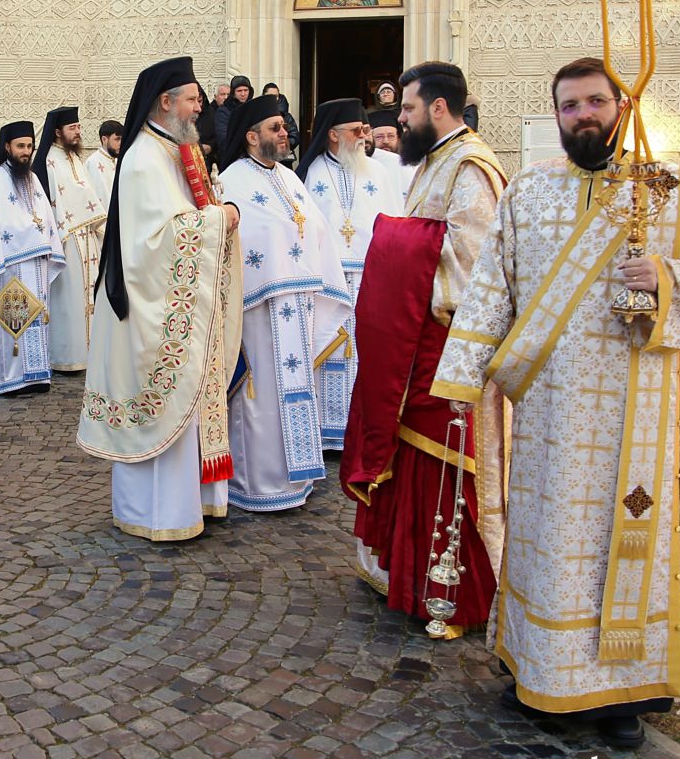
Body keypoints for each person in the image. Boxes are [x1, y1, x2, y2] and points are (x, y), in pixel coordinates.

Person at [432, 57, 680, 747]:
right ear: (556, 116)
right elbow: (492, 287)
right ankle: (539, 673)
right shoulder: (528, 193)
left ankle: (619, 694)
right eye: (569, 105)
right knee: (547, 543)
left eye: (594, 102)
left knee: (620, 542)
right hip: (548, 416)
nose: (583, 115)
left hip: (636, 413)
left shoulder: (673, 191)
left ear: (622, 105)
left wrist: (669, 278)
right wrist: (460, 379)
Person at [339, 60, 508, 640]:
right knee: (411, 457)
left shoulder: (471, 168)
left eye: (407, 110)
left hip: (450, 339)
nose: (400, 121)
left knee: (444, 461)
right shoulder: (436, 162)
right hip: (417, 337)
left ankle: (450, 590)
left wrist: (393, 249)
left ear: (438, 108)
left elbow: (474, 260)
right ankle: (405, 569)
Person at [78, 58, 242, 541]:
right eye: (192, 99)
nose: (200, 107)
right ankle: (157, 514)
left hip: (176, 304)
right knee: (162, 400)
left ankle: (190, 503)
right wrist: (219, 220)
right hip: (146, 309)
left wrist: (217, 212)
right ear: (165, 102)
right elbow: (155, 242)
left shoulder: (175, 150)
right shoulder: (144, 158)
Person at [218, 96, 349, 512]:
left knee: (296, 388)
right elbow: (240, 239)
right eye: (274, 127)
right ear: (252, 136)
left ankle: (298, 476)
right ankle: (256, 483)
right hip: (258, 306)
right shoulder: (233, 180)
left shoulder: (291, 178)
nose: (284, 132)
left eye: (282, 126)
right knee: (261, 394)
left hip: (299, 301)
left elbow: (317, 229)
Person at [295, 99, 402, 450]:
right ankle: (327, 430)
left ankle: (362, 429)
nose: (364, 137)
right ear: (333, 134)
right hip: (329, 280)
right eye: (357, 131)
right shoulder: (311, 174)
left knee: (365, 354)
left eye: (365, 130)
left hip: (370, 277)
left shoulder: (380, 172)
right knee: (330, 349)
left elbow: (395, 224)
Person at [0, 121, 64, 395]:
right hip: (12, 264)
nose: (26, 151)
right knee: (14, 321)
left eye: (29, 146)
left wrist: (48, 243)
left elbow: (45, 216)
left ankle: (37, 374)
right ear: (7, 147)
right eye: (20, 146)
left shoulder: (32, 178)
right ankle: (9, 379)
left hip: (36, 262)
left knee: (37, 318)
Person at [32, 105, 106, 373]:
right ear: (57, 132)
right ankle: (66, 356)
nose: (77, 132)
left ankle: (89, 353)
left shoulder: (74, 157)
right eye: (72, 128)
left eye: (78, 127)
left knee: (89, 296)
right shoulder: (49, 161)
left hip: (86, 235)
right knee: (69, 299)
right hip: (66, 238)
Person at [213, 75, 254, 154]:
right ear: (233, 93)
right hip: (232, 156)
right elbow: (223, 139)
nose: (243, 94)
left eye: (246, 90)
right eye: (239, 91)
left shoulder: (253, 108)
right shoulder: (224, 111)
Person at [262, 82, 299, 158]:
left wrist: (280, 144)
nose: (273, 99)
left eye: (275, 96)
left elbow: (294, 137)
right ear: (263, 96)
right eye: (269, 96)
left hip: (282, 158)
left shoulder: (287, 117)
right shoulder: (258, 115)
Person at [88, 119, 121, 204]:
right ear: (104, 139)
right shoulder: (93, 163)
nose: (121, 143)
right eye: (117, 139)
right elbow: (101, 195)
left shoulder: (118, 160)